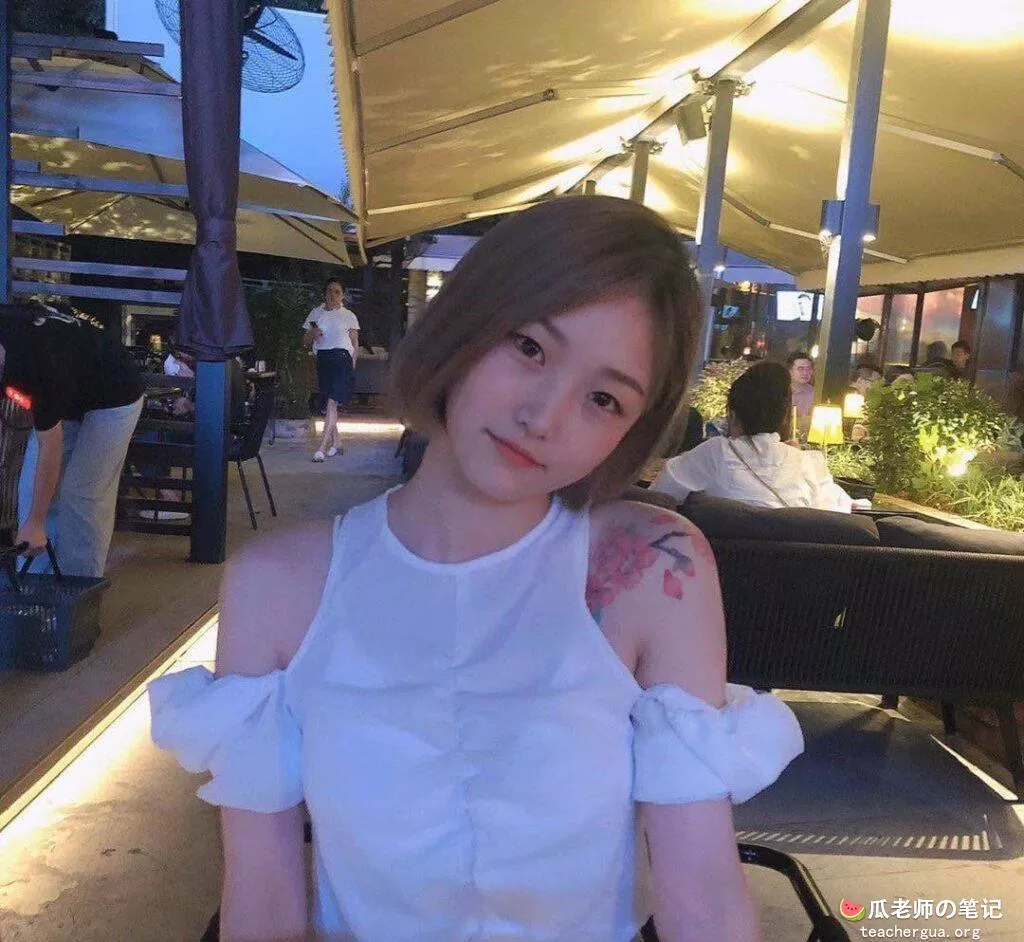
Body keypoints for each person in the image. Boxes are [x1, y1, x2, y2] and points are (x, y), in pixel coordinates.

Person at [149, 196, 803, 942]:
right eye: (529, 347)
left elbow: (704, 895)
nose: (544, 416)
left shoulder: (652, 570)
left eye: (602, 398)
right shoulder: (278, 584)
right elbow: (263, 903)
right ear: (465, 323)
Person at [0, 300, 144, 576]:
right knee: (30, 488)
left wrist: (36, 522)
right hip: (69, 387)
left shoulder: (36, 362)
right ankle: (33, 586)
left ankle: (80, 589)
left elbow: (50, 446)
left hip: (114, 394)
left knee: (81, 494)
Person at [652, 361, 853, 513]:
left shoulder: (716, 453)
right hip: (793, 557)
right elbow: (838, 513)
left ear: (733, 416)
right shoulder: (808, 463)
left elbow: (657, 497)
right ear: (784, 418)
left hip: (721, 556)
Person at [302, 278, 360, 462]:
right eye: (329, 291)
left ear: (342, 295)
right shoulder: (316, 313)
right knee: (327, 402)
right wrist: (313, 334)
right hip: (323, 358)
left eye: (337, 292)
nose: (332, 295)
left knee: (331, 402)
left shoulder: (348, 315)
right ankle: (337, 442)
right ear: (324, 293)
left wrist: (353, 364)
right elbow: (305, 342)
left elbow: (355, 343)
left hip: (342, 359)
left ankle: (322, 447)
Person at [787, 349, 814, 437]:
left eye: (809, 369)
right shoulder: (781, 392)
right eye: (801, 369)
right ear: (790, 371)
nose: (805, 373)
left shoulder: (815, 393)